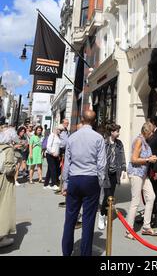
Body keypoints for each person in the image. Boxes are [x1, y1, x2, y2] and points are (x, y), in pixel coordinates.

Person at [61, 110, 106, 256]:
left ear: (82, 119)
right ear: (94, 121)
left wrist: (65, 183)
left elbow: (67, 163)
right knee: (88, 219)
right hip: (90, 178)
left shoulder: (72, 138)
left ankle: (66, 252)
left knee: (70, 218)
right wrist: (99, 182)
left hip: (75, 178)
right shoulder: (98, 138)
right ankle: (85, 253)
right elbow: (101, 164)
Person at [126, 121, 157, 240]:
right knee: (135, 201)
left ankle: (146, 226)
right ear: (146, 132)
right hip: (136, 173)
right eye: (151, 132)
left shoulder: (145, 141)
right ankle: (129, 230)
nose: (152, 135)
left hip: (143, 174)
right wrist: (149, 159)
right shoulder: (139, 140)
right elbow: (134, 159)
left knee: (151, 196)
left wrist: (149, 160)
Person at [98, 123, 126, 231]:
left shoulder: (119, 144)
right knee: (106, 195)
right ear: (111, 132)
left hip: (115, 173)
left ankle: (106, 215)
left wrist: (123, 168)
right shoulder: (104, 143)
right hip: (106, 173)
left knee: (111, 196)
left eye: (118, 131)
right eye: (117, 131)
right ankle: (101, 216)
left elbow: (122, 155)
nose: (118, 133)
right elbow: (100, 157)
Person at [0, 127, 18, 248]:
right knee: (3, 207)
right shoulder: (8, 149)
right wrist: (15, 163)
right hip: (4, 181)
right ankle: (2, 236)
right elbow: (9, 170)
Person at [44, 126, 62, 191]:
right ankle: (54, 184)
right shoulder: (52, 136)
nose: (60, 131)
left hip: (56, 155)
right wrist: (52, 152)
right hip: (50, 155)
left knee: (50, 170)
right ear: (56, 130)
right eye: (59, 130)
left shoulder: (58, 136)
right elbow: (48, 146)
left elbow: (58, 146)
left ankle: (46, 184)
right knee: (53, 169)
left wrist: (58, 154)